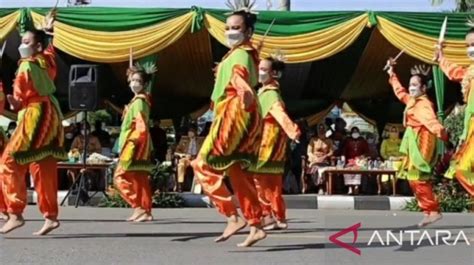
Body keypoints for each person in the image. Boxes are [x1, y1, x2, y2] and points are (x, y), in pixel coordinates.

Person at [191, 1, 266, 247]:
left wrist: (244, 95)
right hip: (241, 113)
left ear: (248, 32)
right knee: (238, 172)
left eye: (236, 27)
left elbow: (239, 78)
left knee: (202, 164)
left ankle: (232, 215)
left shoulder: (240, 55)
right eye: (228, 27)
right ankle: (255, 225)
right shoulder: (240, 53)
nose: (231, 31)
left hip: (234, 114)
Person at [0, 11, 68, 235]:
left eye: (26, 41)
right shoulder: (46, 60)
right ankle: (50, 216)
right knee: (43, 166)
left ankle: (14, 213)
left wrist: (14, 102)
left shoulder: (27, 66)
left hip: (35, 117)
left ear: (36, 46)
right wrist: (49, 31)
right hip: (52, 115)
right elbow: (50, 49)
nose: (22, 44)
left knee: (9, 163)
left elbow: (20, 100)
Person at [386, 60, 448, 227]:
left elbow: (432, 123)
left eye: (415, 85)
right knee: (415, 179)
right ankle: (428, 211)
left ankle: (432, 211)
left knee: (418, 178)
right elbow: (400, 92)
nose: (411, 87)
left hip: (423, 141)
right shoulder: (413, 101)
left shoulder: (423, 104)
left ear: (423, 88)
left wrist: (445, 137)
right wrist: (392, 73)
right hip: (413, 141)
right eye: (410, 84)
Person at [250, 55, 301, 231]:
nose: (259, 72)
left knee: (257, 180)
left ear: (274, 73)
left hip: (267, 144)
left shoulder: (270, 94)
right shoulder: (265, 92)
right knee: (272, 183)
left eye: (264, 69)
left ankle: (268, 215)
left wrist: (293, 131)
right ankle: (279, 217)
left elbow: (280, 115)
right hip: (272, 144)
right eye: (259, 68)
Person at [434, 22, 474, 196]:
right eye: (468, 46)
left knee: (462, 168)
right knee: (461, 169)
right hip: (471, 128)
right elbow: (454, 72)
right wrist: (441, 57)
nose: (470, 49)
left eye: (473, 44)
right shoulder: (470, 72)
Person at [113, 63, 156, 223]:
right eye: (132, 80)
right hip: (140, 144)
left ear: (144, 84)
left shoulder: (139, 101)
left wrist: (131, 146)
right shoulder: (140, 100)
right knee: (140, 179)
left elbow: (140, 127)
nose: (134, 83)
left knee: (119, 177)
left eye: (137, 80)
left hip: (134, 144)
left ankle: (138, 206)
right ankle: (145, 211)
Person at [175, 126, 204, 192]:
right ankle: (180, 185)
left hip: (196, 158)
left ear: (195, 133)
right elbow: (177, 151)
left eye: (191, 132)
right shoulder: (184, 140)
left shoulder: (201, 140)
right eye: (189, 132)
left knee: (199, 165)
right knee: (181, 165)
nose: (189, 133)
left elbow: (204, 151)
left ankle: (199, 186)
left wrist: (199, 156)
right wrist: (184, 155)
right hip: (186, 158)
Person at [307, 123, 334, 195]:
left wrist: (325, 156)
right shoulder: (313, 140)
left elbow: (331, 151)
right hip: (314, 160)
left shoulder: (329, 141)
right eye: (320, 129)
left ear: (325, 130)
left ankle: (323, 187)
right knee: (315, 168)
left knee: (324, 169)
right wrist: (315, 158)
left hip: (324, 160)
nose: (321, 131)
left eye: (323, 129)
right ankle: (319, 186)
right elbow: (309, 152)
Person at [342, 127, 369, 194]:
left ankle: (356, 186)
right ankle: (350, 187)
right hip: (349, 160)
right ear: (351, 133)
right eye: (353, 132)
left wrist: (361, 158)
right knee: (348, 169)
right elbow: (344, 151)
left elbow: (367, 152)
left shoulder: (362, 140)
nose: (355, 133)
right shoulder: (348, 140)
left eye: (356, 132)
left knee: (358, 169)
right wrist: (343, 159)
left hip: (359, 161)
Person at [379, 126, 403, 194]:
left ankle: (396, 189)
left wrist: (400, 158)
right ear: (389, 132)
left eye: (395, 131)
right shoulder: (385, 141)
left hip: (400, 161)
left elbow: (405, 152)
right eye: (392, 131)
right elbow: (383, 153)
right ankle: (387, 188)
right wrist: (389, 158)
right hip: (389, 160)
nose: (394, 133)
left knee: (398, 168)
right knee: (386, 170)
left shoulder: (401, 141)